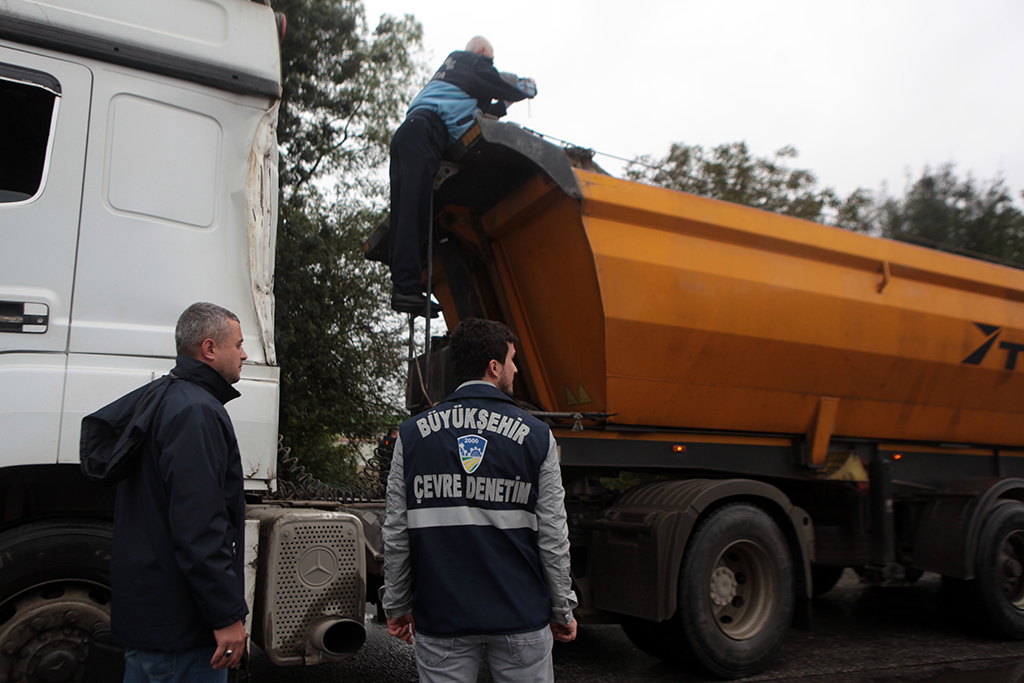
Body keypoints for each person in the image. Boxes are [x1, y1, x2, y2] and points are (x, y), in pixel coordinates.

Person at [381, 317, 577, 683]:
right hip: (519, 613)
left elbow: (396, 532)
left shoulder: (411, 436)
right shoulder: (536, 436)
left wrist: (397, 603)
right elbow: (553, 535)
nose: (516, 369)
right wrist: (562, 609)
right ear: (494, 366)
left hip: (442, 615)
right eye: (513, 360)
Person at [109, 303, 249, 682]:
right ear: (209, 349)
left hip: (156, 625)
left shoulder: (165, 399)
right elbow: (200, 526)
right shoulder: (196, 412)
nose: (244, 353)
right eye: (237, 344)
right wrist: (226, 616)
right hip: (182, 636)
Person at [388, 37, 536, 316]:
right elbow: (504, 84)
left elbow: (476, 118)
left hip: (409, 133)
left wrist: (502, 105)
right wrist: (524, 87)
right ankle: (405, 289)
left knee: (405, 210)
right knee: (414, 208)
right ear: (481, 53)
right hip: (424, 134)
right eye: (489, 61)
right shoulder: (472, 61)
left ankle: (404, 288)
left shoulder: (454, 82)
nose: (489, 67)